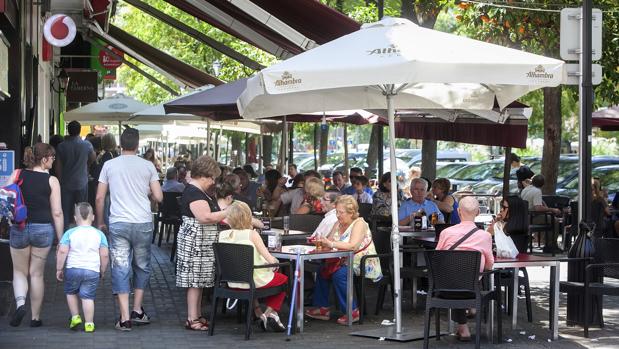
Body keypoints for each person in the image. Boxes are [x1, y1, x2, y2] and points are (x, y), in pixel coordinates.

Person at [95, 127, 163, 331]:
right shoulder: (148, 166)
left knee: (121, 266)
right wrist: (148, 194)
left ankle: (124, 317)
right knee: (141, 265)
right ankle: (137, 310)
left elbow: (99, 197)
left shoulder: (109, 165)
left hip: (118, 223)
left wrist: (100, 221)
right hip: (142, 222)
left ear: (120, 144)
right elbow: (159, 197)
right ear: (138, 144)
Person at [7, 143, 64, 328]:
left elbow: (5, 199)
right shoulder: (52, 181)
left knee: (19, 271)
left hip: (19, 227)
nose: (53, 161)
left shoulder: (16, 174)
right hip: (43, 229)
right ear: (44, 158)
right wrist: (61, 237)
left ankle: (21, 304)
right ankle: (35, 318)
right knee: (36, 274)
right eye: (52, 158)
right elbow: (57, 212)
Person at [305, 195, 382, 324]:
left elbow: (353, 246)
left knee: (339, 275)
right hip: (343, 260)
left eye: (341, 212)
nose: (338, 215)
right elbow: (329, 241)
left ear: (351, 212)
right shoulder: (338, 223)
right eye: (336, 212)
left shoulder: (359, 223)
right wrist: (321, 242)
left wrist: (331, 244)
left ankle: (352, 311)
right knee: (323, 269)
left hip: (362, 261)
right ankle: (323, 308)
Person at [218, 201, 288, 332]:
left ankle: (259, 312)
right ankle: (269, 313)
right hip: (254, 281)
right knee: (283, 279)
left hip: (232, 281)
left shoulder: (222, 235)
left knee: (251, 273)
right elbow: (271, 259)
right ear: (248, 217)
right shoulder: (252, 234)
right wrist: (275, 262)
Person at [175, 155, 226, 331]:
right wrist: (227, 212)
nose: (213, 181)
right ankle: (192, 318)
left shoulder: (199, 191)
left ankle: (197, 315)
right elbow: (204, 217)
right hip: (196, 242)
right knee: (195, 282)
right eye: (212, 177)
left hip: (202, 242)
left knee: (200, 282)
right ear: (203, 175)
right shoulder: (194, 192)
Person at [435, 196, 494, 342]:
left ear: (458, 211)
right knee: (472, 276)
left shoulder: (446, 233)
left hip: (446, 289)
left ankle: (463, 327)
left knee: (455, 275)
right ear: (478, 212)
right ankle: (472, 307)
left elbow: (437, 259)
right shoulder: (485, 236)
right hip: (473, 289)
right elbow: (489, 266)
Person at [56, 203, 109, 333]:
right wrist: (102, 270)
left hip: (73, 268)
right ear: (93, 217)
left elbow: (62, 251)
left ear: (75, 218)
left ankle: (75, 317)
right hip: (92, 270)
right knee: (88, 296)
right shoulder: (99, 234)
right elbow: (105, 254)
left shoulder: (69, 233)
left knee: (71, 292)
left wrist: (59, 268)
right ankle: (89, 324)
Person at [56, 120, 96, 227]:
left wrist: (59, 182)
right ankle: (83, 231)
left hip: (66, 182)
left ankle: (65, 233)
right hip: (82, 181)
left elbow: (58, 167)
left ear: (68, 131)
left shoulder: (61, 146)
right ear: (79, 130)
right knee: (82, 209)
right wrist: (86, 165)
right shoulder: (86, 145)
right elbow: (93, 158)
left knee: (65, 210)